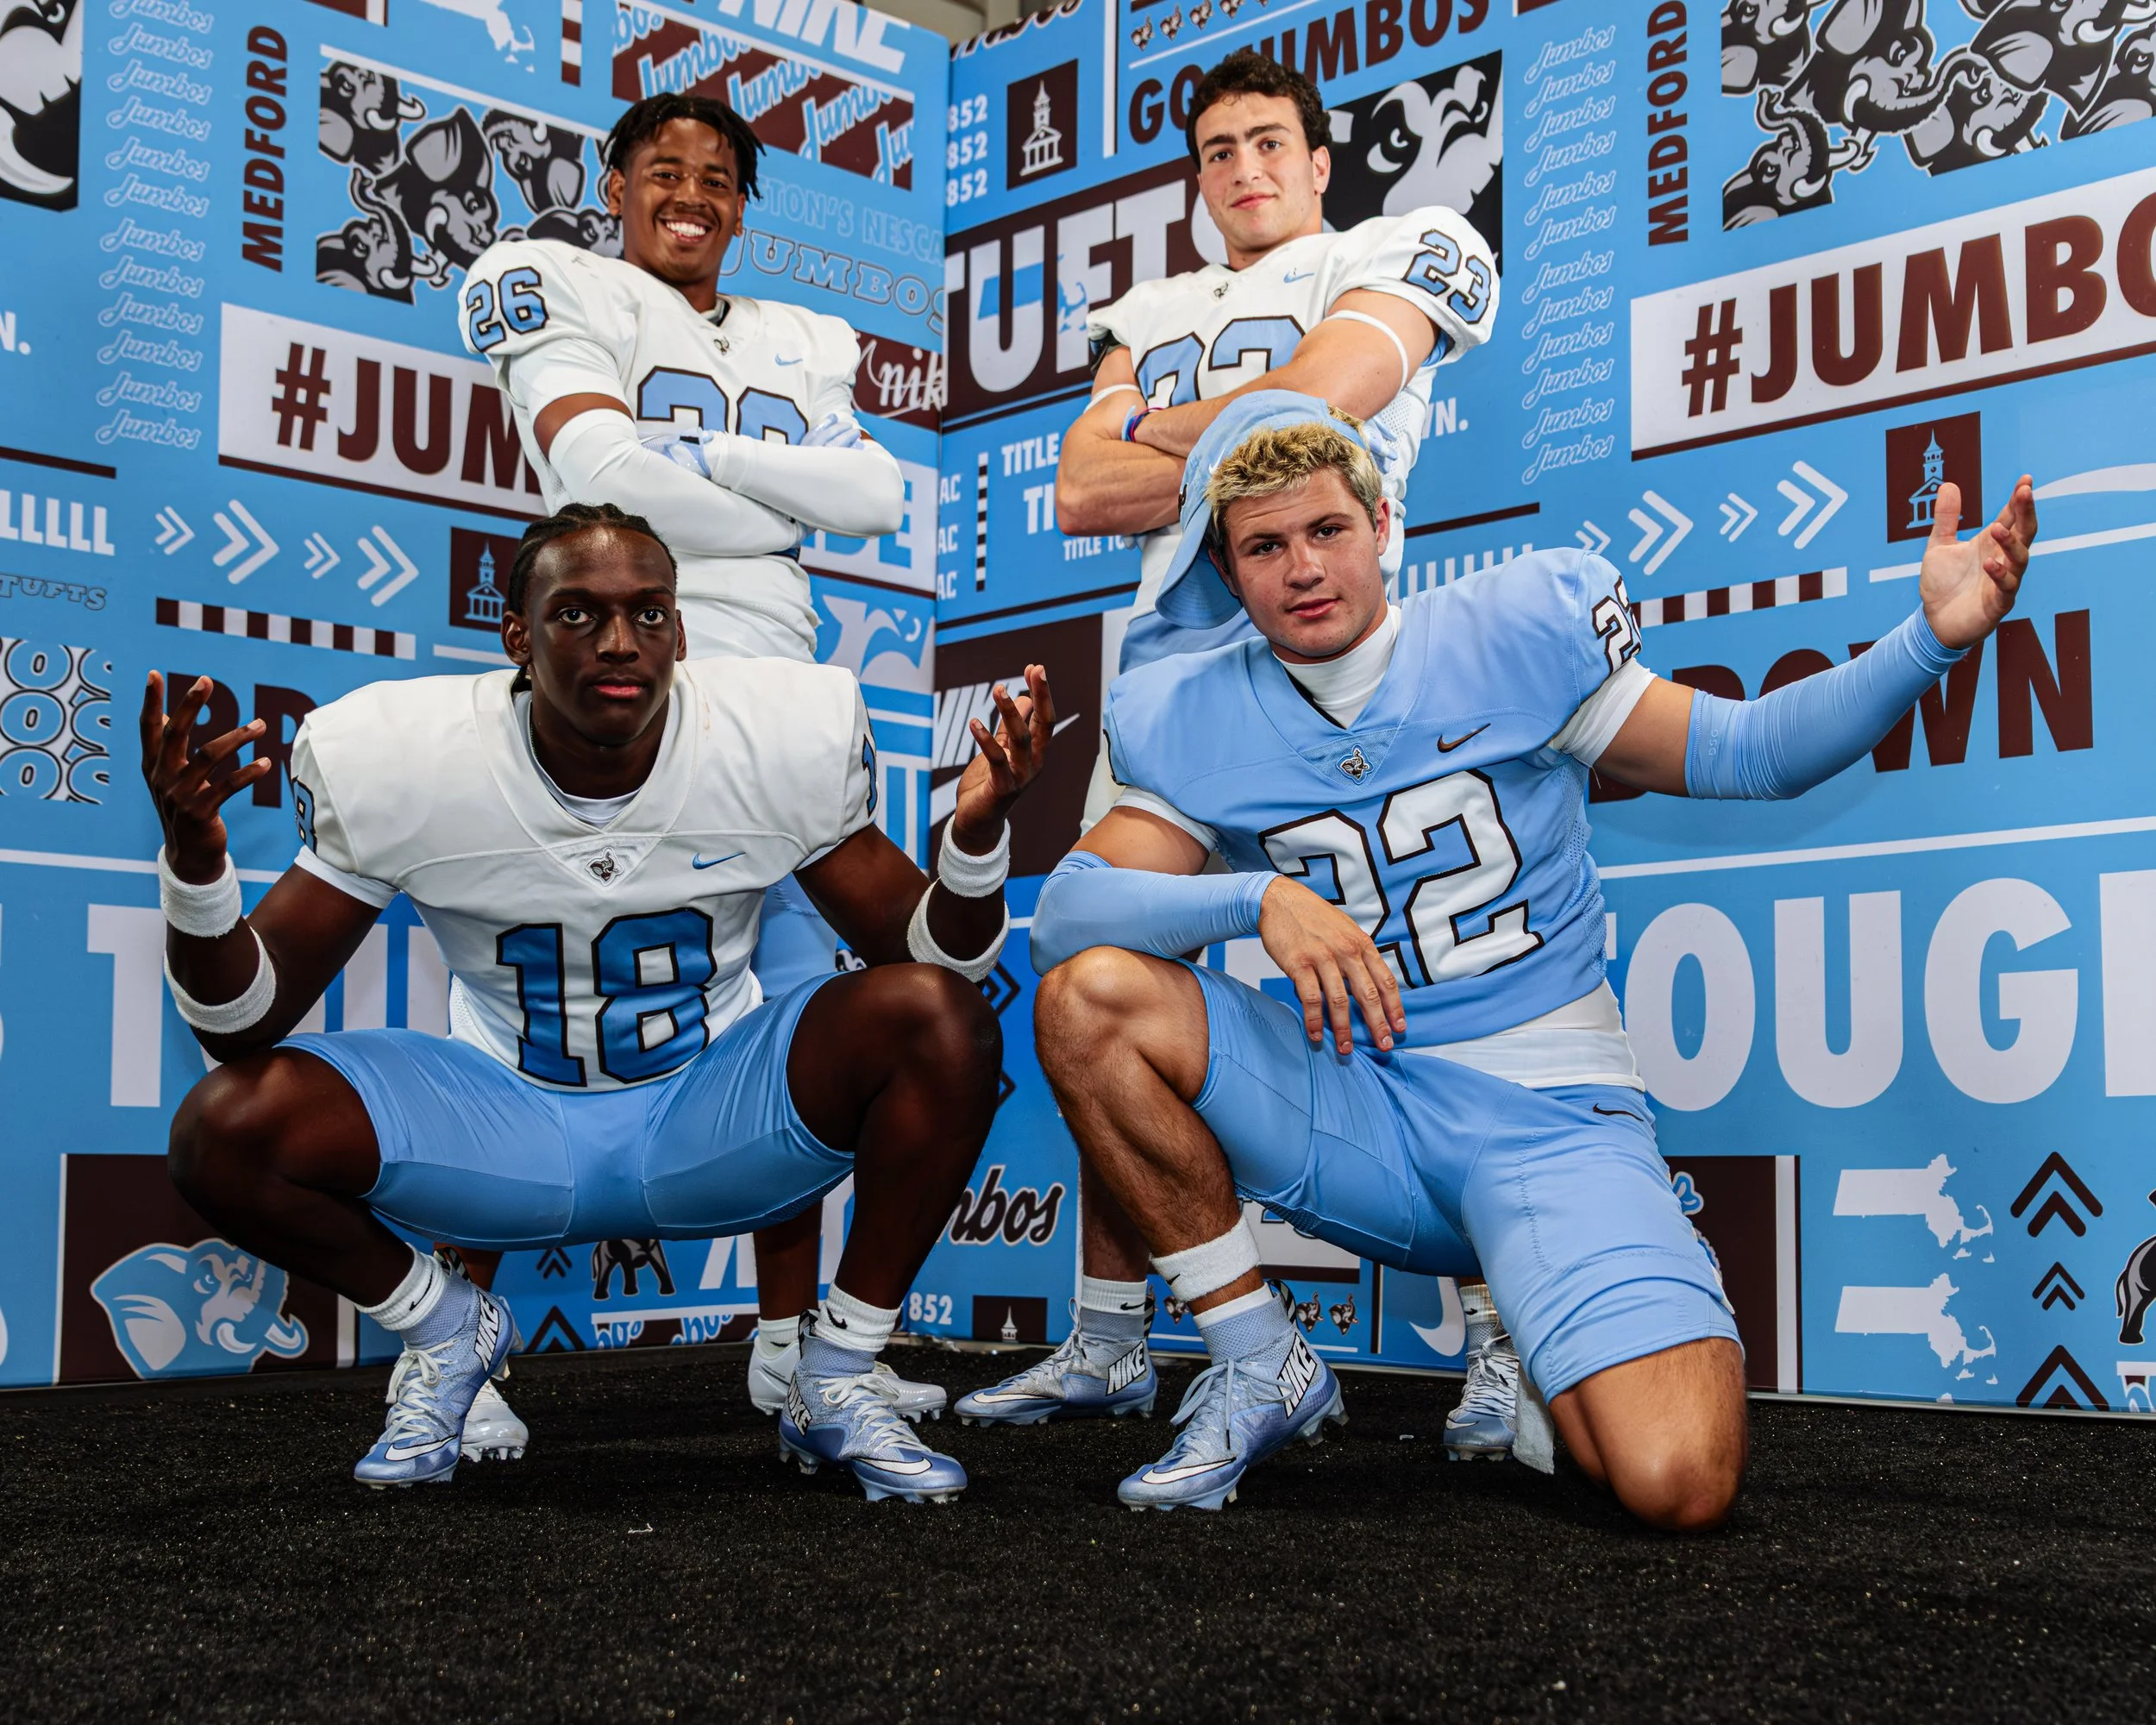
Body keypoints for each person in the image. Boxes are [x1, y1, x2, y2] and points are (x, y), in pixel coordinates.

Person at [1025, 393, 2038, 1525]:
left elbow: (1752, 755)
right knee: (1091, 999)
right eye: (1265, 546)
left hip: (1547, 1116)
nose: (1302, 568)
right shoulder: (1199, 710)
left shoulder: (1510, 631)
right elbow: (1069, 915)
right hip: (1358, 1109)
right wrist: (1254, 897)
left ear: (1383, 525)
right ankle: (1259, 1356)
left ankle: (1567, 1321)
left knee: (1678, 1486)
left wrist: (1930, 641)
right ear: (1226, 566)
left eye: (1326, 531)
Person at [143, 505, 1056, 1497]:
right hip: (508, 1122)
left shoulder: (764, 740)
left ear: (680, 630)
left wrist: (974, 835)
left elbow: (937, 965)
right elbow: (238, 1021)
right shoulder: (410, 756)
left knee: (937, 1020)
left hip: (708, 1112)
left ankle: (831, 1373)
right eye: (577, 614)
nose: (621, 641)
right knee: (223, 1127)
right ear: (518, 638)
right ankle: (448, 1328)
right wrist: (198, 868)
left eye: (649, 613)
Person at [962, 48, 1516, 1453]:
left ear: (1322, 162)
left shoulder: (1409, 244)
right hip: (1173, 685)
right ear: (1197, 178)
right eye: (1217, 150)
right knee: (1099, 980)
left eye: (1270, 141)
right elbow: (1086, 488)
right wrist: (1222, 426)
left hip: (1347, 669)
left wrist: (1155, 422)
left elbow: (1321, 412)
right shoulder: (1147, 305)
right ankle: (1106, 1341)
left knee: (1437, 989)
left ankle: (1507, 1344)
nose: (1246, 167)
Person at [455, 91, 939, 1440]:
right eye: (663, 170)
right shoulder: (550, 283)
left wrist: (706, 458)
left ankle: (790, 1349)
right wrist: (781, 486)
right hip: (615, 689)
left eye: (719, 177)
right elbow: (598, 466)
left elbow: (880, 497)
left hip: (776, 703)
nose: (691, 193)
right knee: (528, 1015)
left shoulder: (805, 336)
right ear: (613, 185)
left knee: (788, 1028)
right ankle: (451, 1355)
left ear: (744, 204)